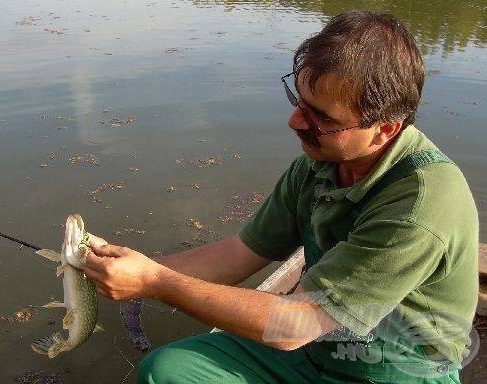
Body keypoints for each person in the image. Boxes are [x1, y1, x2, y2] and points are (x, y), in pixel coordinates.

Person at [82, 10, 479, 384]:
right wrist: (139, 268)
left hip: (395, 369)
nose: (294, 121)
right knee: (165, 371)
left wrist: (156, 282)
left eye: (322, 118)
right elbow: (241, 253)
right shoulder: (318, 164)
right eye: (299, 101)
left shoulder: (421, 204)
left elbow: (295, 325)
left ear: (385, 130)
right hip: (317, 348)